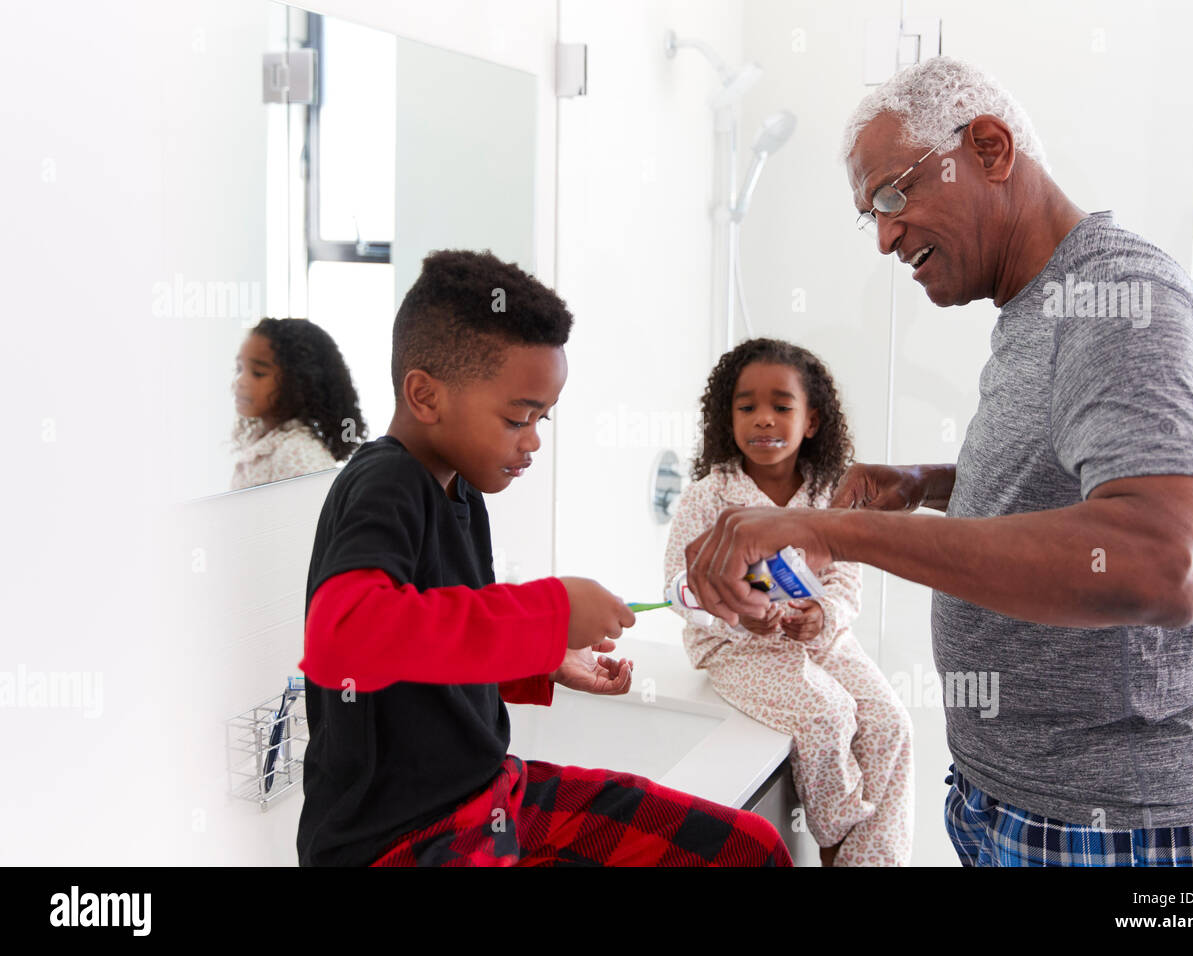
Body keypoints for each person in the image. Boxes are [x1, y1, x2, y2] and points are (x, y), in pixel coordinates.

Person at [684, 57, 1193, 866]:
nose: (885, 236)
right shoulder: (1040, 306)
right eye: (872, 215)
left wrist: (830, 531)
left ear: (989, 148)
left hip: (1120, 824)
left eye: (894, 195)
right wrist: (925, 484)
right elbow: (1074, 490)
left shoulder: (1120, 301)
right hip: (1018, 800)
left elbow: (1159, 561)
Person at [296, 249, 792, 867]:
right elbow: (345, 638)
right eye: (517, 417)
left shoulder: (461, 490)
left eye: (542, 418)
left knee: (748, 850)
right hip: (405, 842)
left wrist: (543, 657)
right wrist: (549, 611)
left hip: (494, 794)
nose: (532, 440)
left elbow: (428, 646)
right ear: (425, 395)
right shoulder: (386, 484)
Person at [665, 338, 913, 866]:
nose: (763, 419)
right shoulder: (709, 496)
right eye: (747, 406)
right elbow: (679, 589)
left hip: (824, 643)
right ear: (725, 418)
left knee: (890, 721)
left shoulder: (830, 497)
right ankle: (839, 843)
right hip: (738, 651)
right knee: (828, 713)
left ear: (812, 421)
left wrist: (822, 616)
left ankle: (874, 861)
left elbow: (846, 581)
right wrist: (742, 622)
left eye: (781, 406)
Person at [229, 317, 366, 490]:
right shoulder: (262, 442)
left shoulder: (298, 453)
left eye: (258, 373)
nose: (240, 381)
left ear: (298, 383)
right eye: (239, 368)